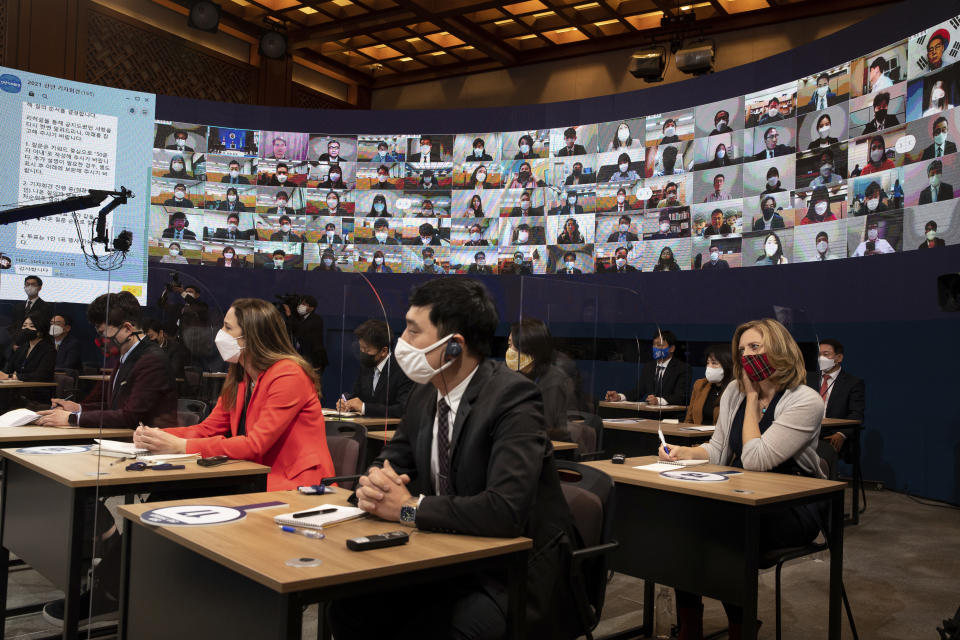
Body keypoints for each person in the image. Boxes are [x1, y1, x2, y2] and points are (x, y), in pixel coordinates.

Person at [329, 278, 580, 640]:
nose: (403, 342)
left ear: (453, 347)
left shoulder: (514, 398)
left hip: (504, 574)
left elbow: (505, 510)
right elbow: (388, 462)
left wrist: (408, 507)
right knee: (349, 609)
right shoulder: (425, 394)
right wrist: (373, 486)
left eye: (414, 332)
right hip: (438, 558)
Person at [661, 318, 827, 640]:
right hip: (744, 494)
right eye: (742, 350)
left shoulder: (805, 400)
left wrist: (752, 399)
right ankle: (690, 627)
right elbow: (720, 450)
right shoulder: (734, 391)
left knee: (724, 530)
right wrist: (683, 452)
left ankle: (741, 628)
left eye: (755, 347)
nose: (747, 356)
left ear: (779, 350)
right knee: (684, 524)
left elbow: (755, 459)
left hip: (794, 504)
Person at [136, 297, 335, 491]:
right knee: (166, 494)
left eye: (228, 328)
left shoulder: (289, 374)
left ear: (253, 336)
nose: (220, 334)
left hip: (295, 485)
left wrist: (183, 446)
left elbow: (255, 445)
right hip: (252, 474)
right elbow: (208, 429)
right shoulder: (241, 373)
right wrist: (156, 436)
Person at [37, 291, 178, 429]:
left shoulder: (152, 361)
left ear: (127, 329)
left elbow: (131, 416)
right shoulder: (128, 356)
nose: (101, 339)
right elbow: (116, 407)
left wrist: (72, 418)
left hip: (146, 443)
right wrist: (78, 408)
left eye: (102, 332)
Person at [506, 317, 574, 440]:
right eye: (509, 345)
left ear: (529, 348)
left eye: (513, 346)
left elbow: (544, 427)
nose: (509, 351)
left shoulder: (553, 381)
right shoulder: (517, 376)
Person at [338, 320, 413, 418]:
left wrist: (364, 408)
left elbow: (403, 409)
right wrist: (346, 403)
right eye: (361, 348)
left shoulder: (402, 370)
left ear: (384, 351)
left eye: (367, 349)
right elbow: (358, 396)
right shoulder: (366, 366)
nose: (363, 353)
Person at [807, 338, 865, 463]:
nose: (821, 358)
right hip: (808, 433)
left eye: (826, 354)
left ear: (838, 358)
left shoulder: (853, 383)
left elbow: (856, 414)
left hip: (832, 434)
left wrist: (841, 434)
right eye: (819, 355)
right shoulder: (808, 379)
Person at [605, 330, 691, 405]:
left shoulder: (682, 368)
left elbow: (681, 397)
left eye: (660, 345)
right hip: (650, 415)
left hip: (672, 417)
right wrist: (619, 397)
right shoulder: (649, 367)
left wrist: (659, 401)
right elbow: (638, 391)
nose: (656, 348)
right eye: (654, 345)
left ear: (671, 348)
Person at [0, 314, 56, 401]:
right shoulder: (22, 348)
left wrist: (11, 377)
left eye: (32, 326)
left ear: (41, 330)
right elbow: (8, 370)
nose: (27, 329)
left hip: (37, 393)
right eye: (24, 326)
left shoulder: (49, 350)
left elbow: (41, 376)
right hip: (17, 390)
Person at [685, 346, 734, 425]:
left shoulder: (735, 388)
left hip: (721, 436)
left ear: (727, 365)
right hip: (697, 435)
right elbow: (689, 419)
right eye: (708, 363)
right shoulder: (700, 385)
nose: (709, 367)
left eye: (714, 363)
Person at [290, 295, 328, 373]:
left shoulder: (316, 319)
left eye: (304, 304)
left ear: (311, 308)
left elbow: (301, 330)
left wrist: (290, 315)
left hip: (315, 359)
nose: (301, 306)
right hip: (304, 357)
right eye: (301, 304)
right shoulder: (301, 318)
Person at [9, 276, 52, 342]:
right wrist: (14, 343)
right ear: (24, 287)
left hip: (35, 343)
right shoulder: (18, 306)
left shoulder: (46, 307)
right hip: (17, 343)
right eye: (27, 284)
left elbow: (45, 328)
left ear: (40, 287)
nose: (30, 287)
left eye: (33, 284)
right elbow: (14, 326)